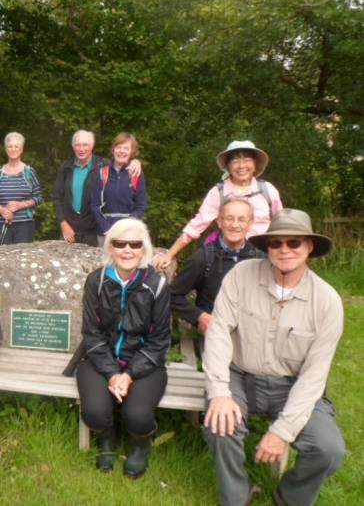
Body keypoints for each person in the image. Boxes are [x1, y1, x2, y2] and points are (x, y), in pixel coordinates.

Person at [202, 209, 345, 506]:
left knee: (329, 450)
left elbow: (314, 375)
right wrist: (219, 392)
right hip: (240, 375)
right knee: (219, 422)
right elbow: (217, 334)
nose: (284, 250)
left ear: (309, 247)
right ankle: (236, 495)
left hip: (293, 385)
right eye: (276, 243)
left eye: (294, 242)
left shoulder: (327, 301)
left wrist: (283, 431)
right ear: (267, 247)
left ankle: (290, 496)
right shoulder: (240, 276)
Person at [75, 218, 170, 477]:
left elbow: (159, 340)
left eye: (135, 244)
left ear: (144, 249)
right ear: (110, 248)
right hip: (99, 358)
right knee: (94, 412)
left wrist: (128, 375)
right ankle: (107, 441)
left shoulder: (157, 285)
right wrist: (112, 373)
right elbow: (91, 334)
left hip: (144, 363)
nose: (128, 250)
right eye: (120, 243)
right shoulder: (97, 280)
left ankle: (140, 446)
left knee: (137, 416)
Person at [153, 140, 282, 269]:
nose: (241, 165)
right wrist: (169, 254)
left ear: (255, 164)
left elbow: (282, 223)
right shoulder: (218, 193)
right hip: (230, 257)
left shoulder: (267, 190)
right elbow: (197, 224)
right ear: (228, 166)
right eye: (235, 160)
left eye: (247, 159)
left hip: (265, 254)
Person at [171, 199, 263, 333]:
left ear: (250, 224)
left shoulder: (259, 258)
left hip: (251, 331)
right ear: (219, 222)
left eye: (241, 220)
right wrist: (199, 317)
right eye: (229, 218)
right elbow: (172, 296)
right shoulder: (203, 258)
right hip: (216, 330)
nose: (235, 225)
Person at [53, 130, 141, 246]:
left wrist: (135, 162)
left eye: (85, 145)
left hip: (95, 231)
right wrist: (63, 224)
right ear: (73, 146)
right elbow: (57, 198)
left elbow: (122, 165)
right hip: (68, 231)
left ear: (92, 146)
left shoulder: (104, 165)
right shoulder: (66, 167)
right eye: (78, 145)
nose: (81, 149)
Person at [89, 132, 148, 246]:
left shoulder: (136, 174)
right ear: (113, 149)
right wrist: (106, 228)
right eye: (118, 147)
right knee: (107, 263)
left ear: (131, 152)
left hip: (129, 231)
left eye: (126, 148)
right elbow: (95, 205)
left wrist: (126, 226)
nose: (121, 151)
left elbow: (141, 206)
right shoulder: (102, 173)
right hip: (105, 232)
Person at [0, 132, 43, 244]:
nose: (13, 149)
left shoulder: (29, 172)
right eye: (10, 146)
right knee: (2, 257)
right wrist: (1, 210)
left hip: (25, 225)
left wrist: (21, 204)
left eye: (16, 146)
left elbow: (38, 197)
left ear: (21, 149)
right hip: (2, 223)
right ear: (6, 149)